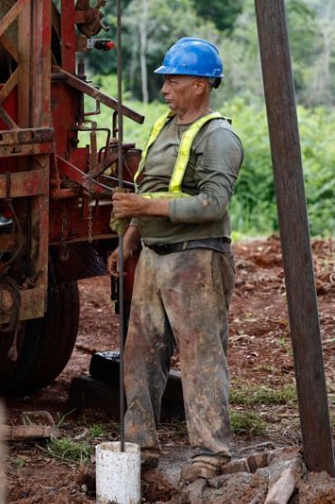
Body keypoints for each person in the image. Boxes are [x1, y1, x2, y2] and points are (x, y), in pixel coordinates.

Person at [107, 38, 244, 482]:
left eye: (175, 79)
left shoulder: (218, 136)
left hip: (197, 260)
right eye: (165, 79)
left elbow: (212, 205)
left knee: (201, 356)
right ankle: (140, 446)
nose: (165, 87)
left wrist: (143, 210)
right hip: (153, 256)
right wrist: (129, 239)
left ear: (201, 86)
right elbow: (152, 184)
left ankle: (211, 454)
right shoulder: (165, 127)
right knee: (140, 355)